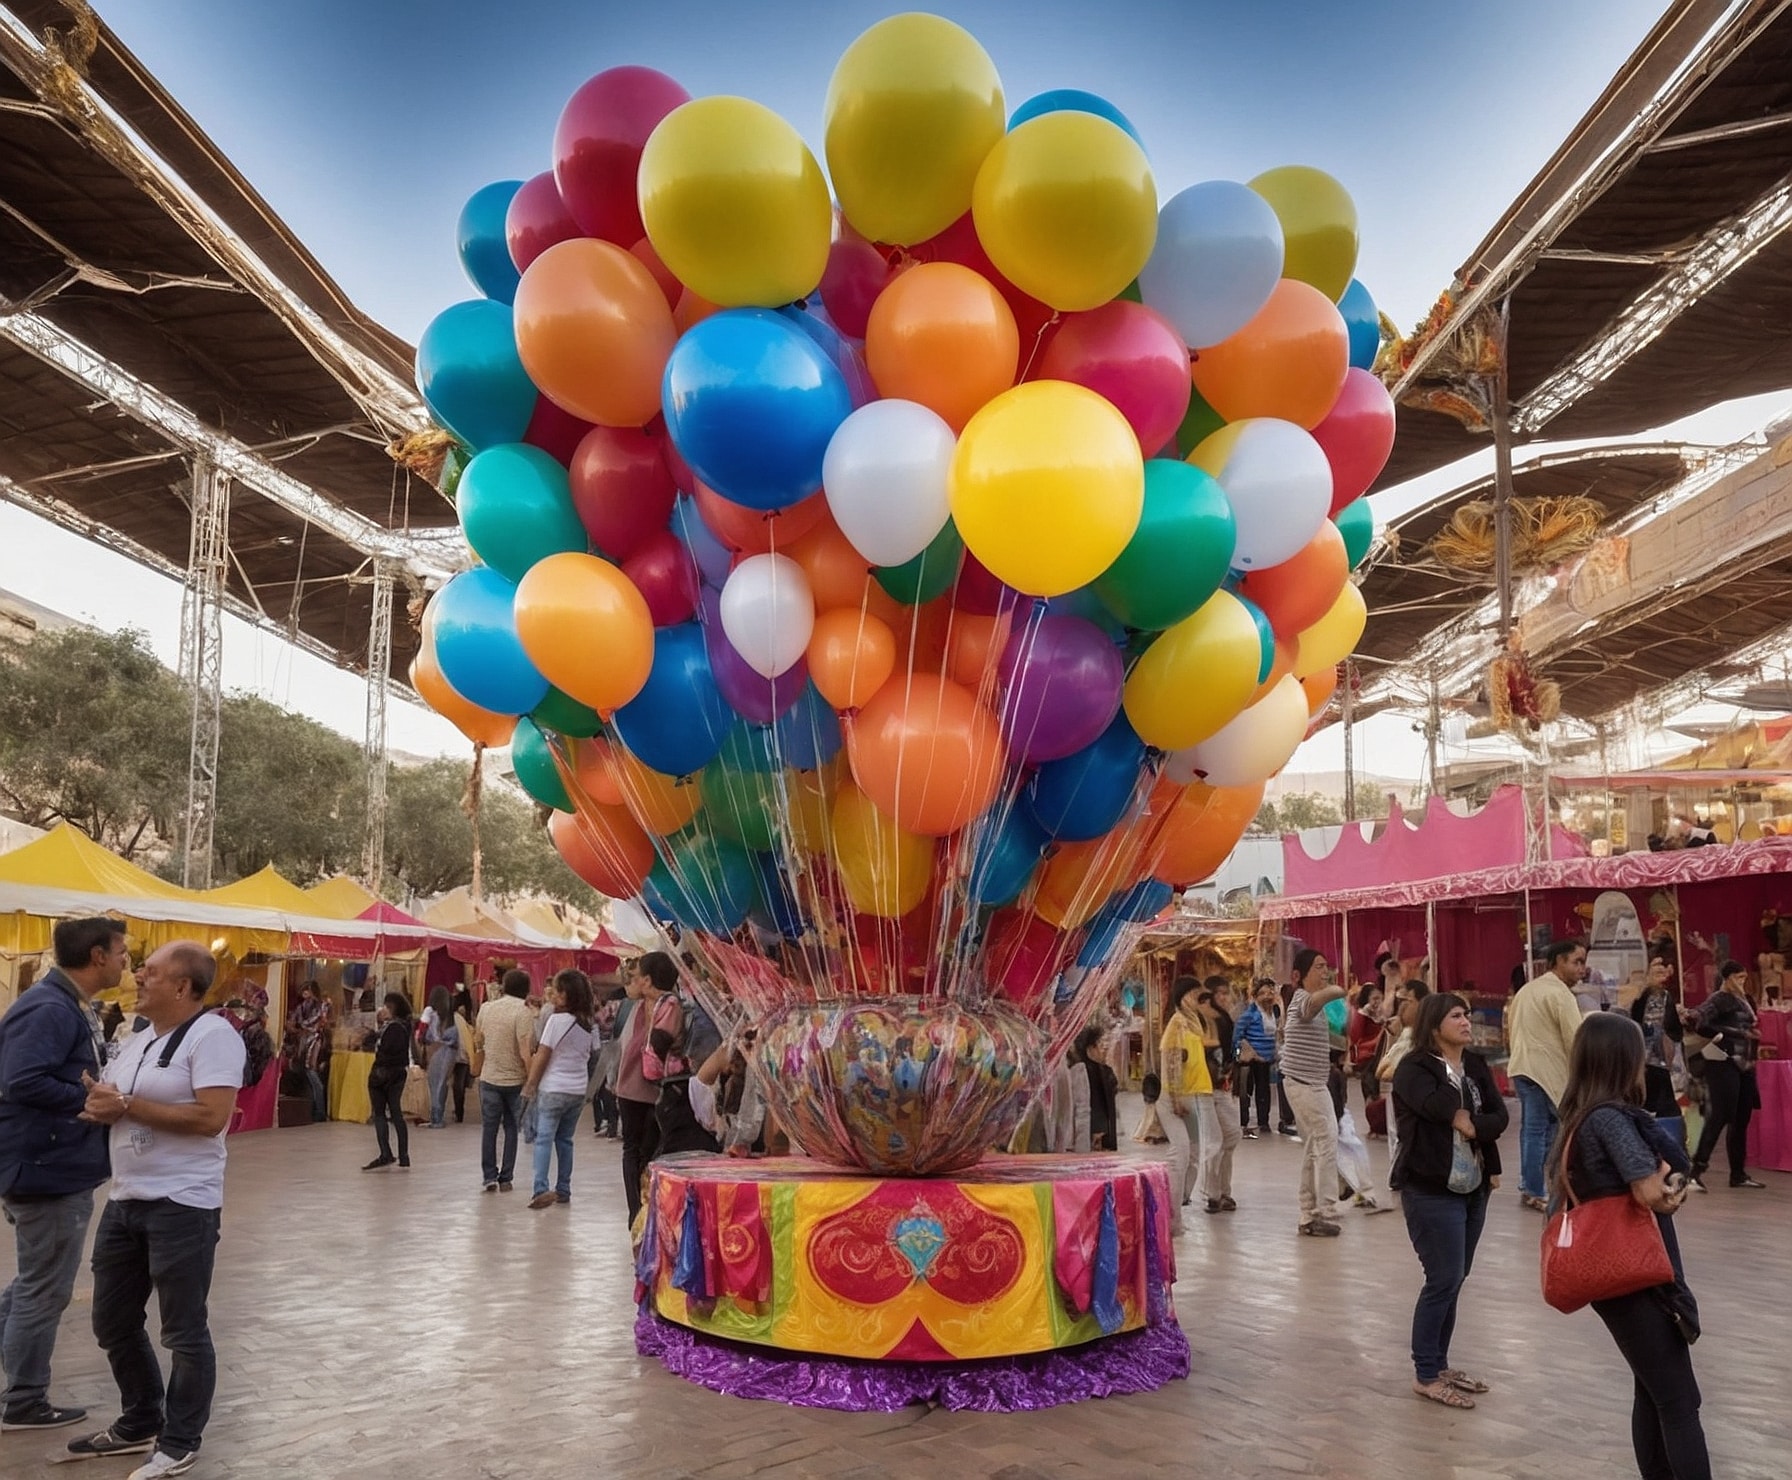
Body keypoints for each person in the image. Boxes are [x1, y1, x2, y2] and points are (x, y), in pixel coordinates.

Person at [67, 941, 245, 1480]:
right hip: (127, 1199)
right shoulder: (140, 1037)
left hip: (182, 1205)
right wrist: (101, 1102)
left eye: (152, 972)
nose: (138, 976)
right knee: (113, 1320)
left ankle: (179, 1440)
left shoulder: (215, 1036)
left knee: (184, 1330)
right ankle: (141, 1417)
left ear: (184, 988)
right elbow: (118, 1100)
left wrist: (124, 1105)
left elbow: (212, 1117)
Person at [1548, 1013, 1709, 1480]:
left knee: (1654, 1390)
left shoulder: (1583, 1115)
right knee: (1680, 1401)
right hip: (1632, 1273)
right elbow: (1649, 1191)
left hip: (1620, 1273)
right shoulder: (1609, 1119)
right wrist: (1674, 1190)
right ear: (1624, 1058)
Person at [0, 917, 127, 1432]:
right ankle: (25, 1399)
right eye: (122, 952)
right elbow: (20, 1080)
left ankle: (19, 1374)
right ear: (97, 955)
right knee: (43, 1288)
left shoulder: (67, 1003)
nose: (126, 962)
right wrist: (90, 1102)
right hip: (45, 1169)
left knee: (36, 1279)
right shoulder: (50, 1007)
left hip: (52, 1165)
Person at [1391, 993, 1508, 1410]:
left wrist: (1471, 1125)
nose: (1465, 1022)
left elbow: (1499, 1118)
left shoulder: (1475, 1065)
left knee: (1455, 1278)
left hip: (1473, 1186)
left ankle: (1439, 1365)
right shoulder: (1414, 1067)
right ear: (1434, 1023)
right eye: (1456, 1016)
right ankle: (1425, 1373)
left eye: (1467, 1015)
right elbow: (1438, 1105)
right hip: (1429, 1188)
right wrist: (1459, 1110)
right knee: (1442, 1278)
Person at [1506, 937, 1589, 1212]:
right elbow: (1575, 1039)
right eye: (1577, 962)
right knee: (1537, 1130)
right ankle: (1534, 1188)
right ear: (1559, 961)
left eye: (1583, 963)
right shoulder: (1560, 994)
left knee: (1540, 1130)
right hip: (1545, 1073)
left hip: (1523, 1068)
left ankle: (1539, 1185)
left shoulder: (1527, 990)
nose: (1582, 969)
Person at [1283, 949, 1348, 1237]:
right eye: (1319, 967)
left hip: (1311, 1083)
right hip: (1304, 1084)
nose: (1325, 972)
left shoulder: (1311, 1005)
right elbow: (1332, 993)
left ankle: (1308, 1213)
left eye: (1326, 966)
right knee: (1326, 1139)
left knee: (1314, 1146)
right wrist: (1336, 988)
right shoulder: (1302, 1001)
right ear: (1299, 975)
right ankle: (1324, 1208)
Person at [1688, 960, 1765, 1192]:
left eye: (1744, 978)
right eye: (1738, 978)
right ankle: (1696, 1171)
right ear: (1728, 978)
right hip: (1723, 1061)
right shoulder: (1719, 999)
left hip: (1745, 1063)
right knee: (1720, 1115)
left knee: (1741, 1118)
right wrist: (1727, 1033)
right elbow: (1700, 1020)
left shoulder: (1745, 1000)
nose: (1742, 982)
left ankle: (1738, 1173)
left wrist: (1749, 1035)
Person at [616, 952, 680, 1225]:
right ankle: (638, 1212)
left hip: (649, 1088)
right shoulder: (651, 1005)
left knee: (644, 1150)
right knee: (639, 1149)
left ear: (649, 980)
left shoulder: (664, 1006)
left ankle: (643, 1209)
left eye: (639, 975)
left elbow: (658, 1045)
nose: (635, 980)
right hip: (639, 1088)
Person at [522, 970, 596, 1209]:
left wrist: (530, 1085)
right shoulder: (589, 1024)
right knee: (565, 1140)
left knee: (544, 1140)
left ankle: (541, 1188)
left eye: (557, 991)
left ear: (567, 995)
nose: (553, 995)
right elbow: (593, 1054)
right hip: (577, 1091)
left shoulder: (556, 1021)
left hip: (553, 1088)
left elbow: (543, 1055)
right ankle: (564, 1188)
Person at [473, 971, 536, 1194]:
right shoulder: (524, 1013)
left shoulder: (486, 1008)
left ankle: (488, 1176)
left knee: (489, 1129)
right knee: (511, 1128)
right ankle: (506, 1177)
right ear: (526, 990)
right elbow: (525, 1051)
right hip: (514, 1082)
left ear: (503, 986)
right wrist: (532, 1080)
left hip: (489, 1078)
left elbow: (479, 1040)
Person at [1629, 959, 1686, 1147]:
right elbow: (1668, 1029)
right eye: (1657, 971)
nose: (1662, 976)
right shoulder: (1653, 996)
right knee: (1661, 1108)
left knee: (1654, 1106)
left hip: (1649, 1061)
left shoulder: (1648, 996)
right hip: (1654, 1062)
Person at [363, 993, 414, 1172]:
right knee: (395, 1113)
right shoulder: (403, 1027)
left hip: (383, 1074)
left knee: (380, 1114)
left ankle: (386, 1152)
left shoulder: (393, 1028)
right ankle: (403, 1155)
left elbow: (380, 1047)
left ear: (391, 1008)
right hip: (398, 1074)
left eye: (385, 1006)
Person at [1232, 979, 1280, 1138]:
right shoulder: (1249, 1015)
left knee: (1264, 1091)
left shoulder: (1275, 1013)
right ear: (1255, 996)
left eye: (1270, 992)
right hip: (1252, 1060)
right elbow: (1236, 1038)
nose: (1267, 996)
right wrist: (1240, 1055)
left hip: (1267, 1060)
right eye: (1263, 993)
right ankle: (1245, 1122)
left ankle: (1263, 1121)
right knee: (1247, 1092)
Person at [419, 987, 458, 1131]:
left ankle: (435, 1117)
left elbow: (425, 1036)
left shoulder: (431, 1015)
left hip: (434, 1051)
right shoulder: (452, 1018)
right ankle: (439, 1115)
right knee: (443, 1083)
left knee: (434, 1084)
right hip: (450, 1053)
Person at [589, 985, 623, 1139]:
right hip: (615, 1049)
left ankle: (609, 1123)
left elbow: (601, 1022)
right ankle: (612, 1124)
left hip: (605, 1051)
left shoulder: (609, 1009)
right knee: (608, 1087)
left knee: (604, 1088)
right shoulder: (623, 1007)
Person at [448, 988, 477, 1125]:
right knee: (459, 1086)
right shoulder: (462, 1020)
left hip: (453, 1056)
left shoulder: (449, 1019)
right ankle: (459, 1113)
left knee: (453, 1085)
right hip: (464, 1056)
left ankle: (444, 1112)